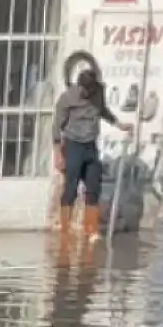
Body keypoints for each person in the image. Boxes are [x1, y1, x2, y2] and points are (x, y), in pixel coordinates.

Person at [53, 70, 132, 243]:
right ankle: (64, 227)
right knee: (71, 187)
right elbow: (57, 126)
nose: (88, 93)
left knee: (93, 186)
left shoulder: (98, 92)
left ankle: (91, 229)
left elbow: (103, 110)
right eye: (85, 90)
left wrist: (119, 124)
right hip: (73, 144)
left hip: (90, 146)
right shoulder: (67, 98)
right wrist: (58, 153)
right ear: (79, 86)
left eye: (91, 90)